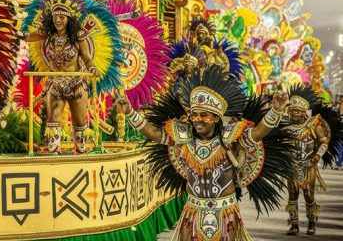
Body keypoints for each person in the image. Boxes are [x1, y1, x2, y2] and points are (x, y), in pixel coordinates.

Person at [119, 65, 293, 241]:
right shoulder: (184, 137)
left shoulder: (230, 139)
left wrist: (276, 111)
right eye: (194, 114)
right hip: (193, 211)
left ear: (216, 117)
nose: (197, 120)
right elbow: (154, 133)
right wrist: (130, 112)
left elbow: (257, 133)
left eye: (204, 115)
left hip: (225, 212)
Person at [24, 0, 123, 154]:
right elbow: (26, 36)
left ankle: (80, 152)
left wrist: (92, 68)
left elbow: (86, 57)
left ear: (69, 19)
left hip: (77, 84)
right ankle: (54, 153)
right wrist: (13, 32)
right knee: (53, 118)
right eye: (55, 17)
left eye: (62, 17)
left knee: (79, 122)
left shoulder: (78, 36)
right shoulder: (47, 34)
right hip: (55, 83)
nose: (58, 20)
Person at [282, 84, 343, 235]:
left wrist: (317, 156)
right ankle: (294, 225)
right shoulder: (286, 127)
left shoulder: (313, 125)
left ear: (304, 112)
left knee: (309, 195)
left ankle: (311, 223)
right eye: (292, 110)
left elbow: (324, 142)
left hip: (308, 166)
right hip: (292, 167)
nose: (294, 113)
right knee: (292, 195)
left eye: (298, 111)